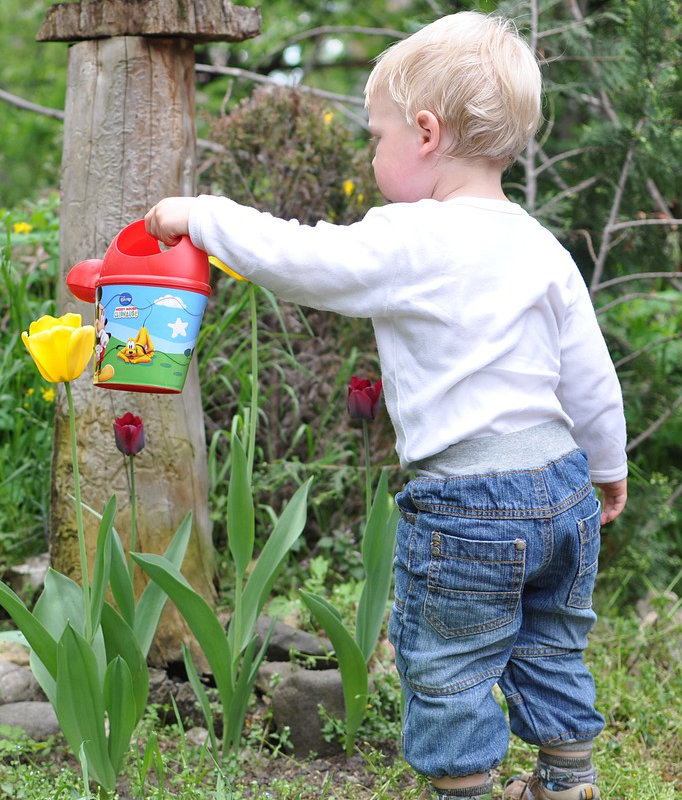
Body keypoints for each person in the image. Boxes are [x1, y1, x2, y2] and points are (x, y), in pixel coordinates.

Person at [144, 10, 628, 800]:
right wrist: (608, 466)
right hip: (562, 487)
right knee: (552, 646)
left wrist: (199, 216)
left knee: (449, 666)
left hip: (470, 503)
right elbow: (590, 375)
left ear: (427, 133)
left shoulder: (412, 236)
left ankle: (467, 791)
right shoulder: (541, 245)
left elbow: (301, 258)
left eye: (377, 135)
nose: (373, 154)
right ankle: (567, 784)